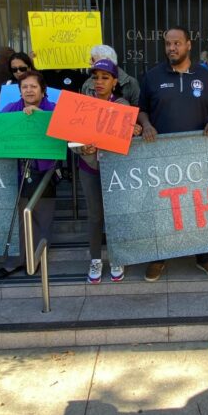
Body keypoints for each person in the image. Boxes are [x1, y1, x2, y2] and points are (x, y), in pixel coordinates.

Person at [138, 25, 208, 281]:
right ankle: (158, 258)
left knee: (201, 206)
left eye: (177, 43)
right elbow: (142, 109)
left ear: (189, 45)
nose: (171, 48)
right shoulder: (153, 76)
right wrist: (146, 124)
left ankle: (205, 258)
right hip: (161, 157)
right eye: (168, 44)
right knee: (162, 207)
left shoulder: (206, 76)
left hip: (198, 157)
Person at [0, 70, 59, 280]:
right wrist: (19, 120)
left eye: (33, 86)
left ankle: (36, 259)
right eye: (24, 87)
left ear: (43, 90)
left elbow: (64, 136)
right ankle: (14, 262)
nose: (28, 90)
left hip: (45, 171)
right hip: (17, 172)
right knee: (21, 218)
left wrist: (39, 118)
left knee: (41, 217)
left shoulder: (53, 110)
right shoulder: (11, 108)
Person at [75, 59, 142, 283]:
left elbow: (130, 138)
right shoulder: (82, 103)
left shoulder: (123, 105)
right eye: (96, 77)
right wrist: (80, 147)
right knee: (95, 216)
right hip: (89, 167)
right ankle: (95, 259)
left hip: (116, 170)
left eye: (105, 77)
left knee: (116, 214)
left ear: (114, 82)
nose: (99, 82)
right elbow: (71, 136)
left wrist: (135, 131)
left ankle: (117, 257)